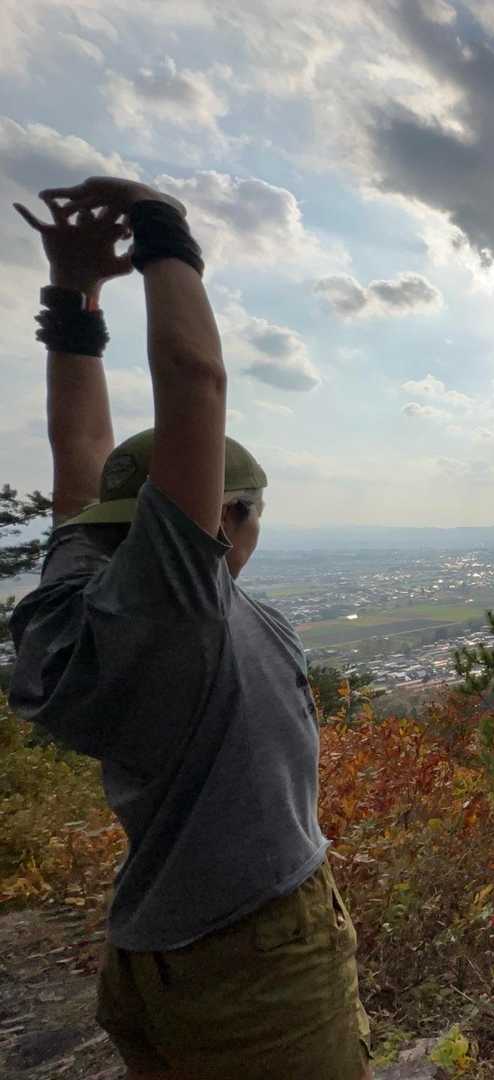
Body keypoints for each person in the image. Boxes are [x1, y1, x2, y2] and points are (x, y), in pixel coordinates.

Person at [8, 178, 371, 1080]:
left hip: (155, 953)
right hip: (255, 964)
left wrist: (74, 296)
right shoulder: (177, 610)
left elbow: (78, 455)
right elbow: (195, 382)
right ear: (223, 517)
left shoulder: (73, 600)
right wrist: (160, 227)